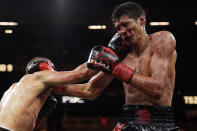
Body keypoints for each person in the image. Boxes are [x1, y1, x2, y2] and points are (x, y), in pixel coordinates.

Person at [59, 2, 180, 131]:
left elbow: (157, 90)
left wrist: (117, 68)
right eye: (118, 28)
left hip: (161, 122)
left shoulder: (162, 40)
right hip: (128, 120)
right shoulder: (121, 55)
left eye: (125, 24)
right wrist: (55, 87)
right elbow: (90, 90)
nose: (122, 31)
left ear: (141, 19)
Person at [0, 57, 97, 131]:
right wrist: (100, 57)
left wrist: (109, 70)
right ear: (43, 66)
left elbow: (89, 91)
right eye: (52, 67)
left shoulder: (13, 90)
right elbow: (81, 74)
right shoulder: (39, 77)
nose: (54, 71)